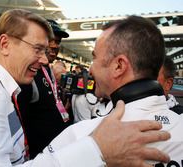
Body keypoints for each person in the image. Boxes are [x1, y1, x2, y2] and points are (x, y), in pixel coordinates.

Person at [0, 11, 171, 167]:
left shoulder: (1, 89)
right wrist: (94, 149)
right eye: (37, 49)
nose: (45, 60)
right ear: (5, 44)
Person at [44, 15, 183, 166]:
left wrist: (91, 151)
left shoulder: (83, 134)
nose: (90, 70)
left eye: (94, 58)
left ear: (119, 66)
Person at [17, 19, 72, 159]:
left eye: (58, 41)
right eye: (50, 40)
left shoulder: (48, 69)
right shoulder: (29, 72)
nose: (54, 45)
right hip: (40, 155)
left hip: (58, 150)